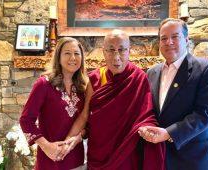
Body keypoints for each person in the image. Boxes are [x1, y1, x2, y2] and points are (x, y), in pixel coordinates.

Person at [62, 29, 165, 170]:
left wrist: (148, 128)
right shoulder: (95, 78)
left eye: (122, 50)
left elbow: (146, 115)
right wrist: (67, 141)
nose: (116, 57)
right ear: (103, 52)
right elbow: (85, 114)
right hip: (99, 151)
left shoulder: (139, 77)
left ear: (129, 51)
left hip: (127, 152)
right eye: (111, 50)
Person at [138, 18, 208, 170]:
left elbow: (206, 113)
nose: (168, 42)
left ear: (186, 39)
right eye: (163, 38)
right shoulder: (152, 72)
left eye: (174, 37)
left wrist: (169, 133)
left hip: (195, 157)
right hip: (161, 155)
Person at [19, 37, 88, 170]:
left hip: (77, 160)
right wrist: (46, 146)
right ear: (58, 57)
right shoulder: (44, 84)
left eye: (77, 53)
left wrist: (79, 137)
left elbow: (87, 123)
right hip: (49, 161)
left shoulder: (83, 88)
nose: (72, 58)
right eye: (67, 53)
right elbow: (26, 120)